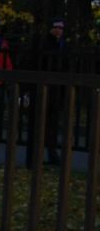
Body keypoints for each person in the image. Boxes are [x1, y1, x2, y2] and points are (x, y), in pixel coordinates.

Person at [24, 18, 69, 167]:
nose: (59, 30)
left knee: (51, 123)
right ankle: (35, 156)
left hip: (55, 89)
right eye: (56, 27)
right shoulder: (44, 43)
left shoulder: (62, 45)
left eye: (61, 28)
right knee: (40, 122)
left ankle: (50, 153)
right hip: (44, 86)